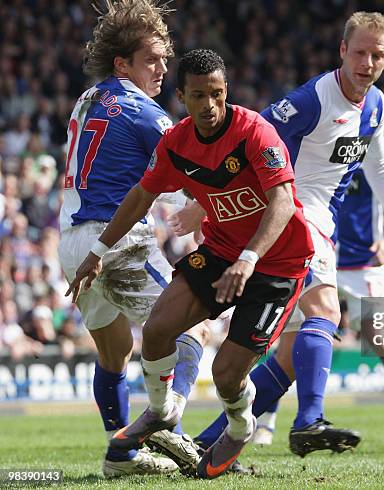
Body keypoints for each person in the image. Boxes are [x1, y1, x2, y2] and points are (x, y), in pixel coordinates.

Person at [185, 11, 384, 460]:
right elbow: (248, 137)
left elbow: (379, 164)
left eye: (378, 55)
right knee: (326, 312)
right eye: (359, 52)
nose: (367, 63)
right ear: (342, 50)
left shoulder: (375, 105)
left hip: (318, 226)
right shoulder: (315, 99)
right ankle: (309, 421)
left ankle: (205, 441)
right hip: (295, 218)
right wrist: (206, 198)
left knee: (291, 354)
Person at [66, 48, 314, 480]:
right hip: (220, 252)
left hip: (277, 264)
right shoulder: (175, 143)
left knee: (225, 376)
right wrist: (97, 252)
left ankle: (241, 426)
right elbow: (141, 195)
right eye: (199, 96)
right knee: (159, 329)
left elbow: (282, 199)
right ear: (182, 96)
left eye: (217, 94)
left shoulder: (254, 131)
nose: (210, 105)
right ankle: (162, 413)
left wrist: (250, 258)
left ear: (226, 92)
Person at [58, 0, 206, 477]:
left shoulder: (87, 99)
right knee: (190, 331)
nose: (163, 69)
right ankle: (166, 424)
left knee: (115, 351)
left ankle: (120, 454)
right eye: (152, 60)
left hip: (70, 243)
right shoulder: (145, 112)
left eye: (166, 59)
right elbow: (193, 170)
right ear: (122, 63)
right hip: (115, 242)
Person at [252, 168, 384, 445]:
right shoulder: (320, 147)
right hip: (319, 252)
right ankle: (265, 424)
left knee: (380, 338)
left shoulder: (365, 147)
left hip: (363, 263)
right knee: (288, 342)